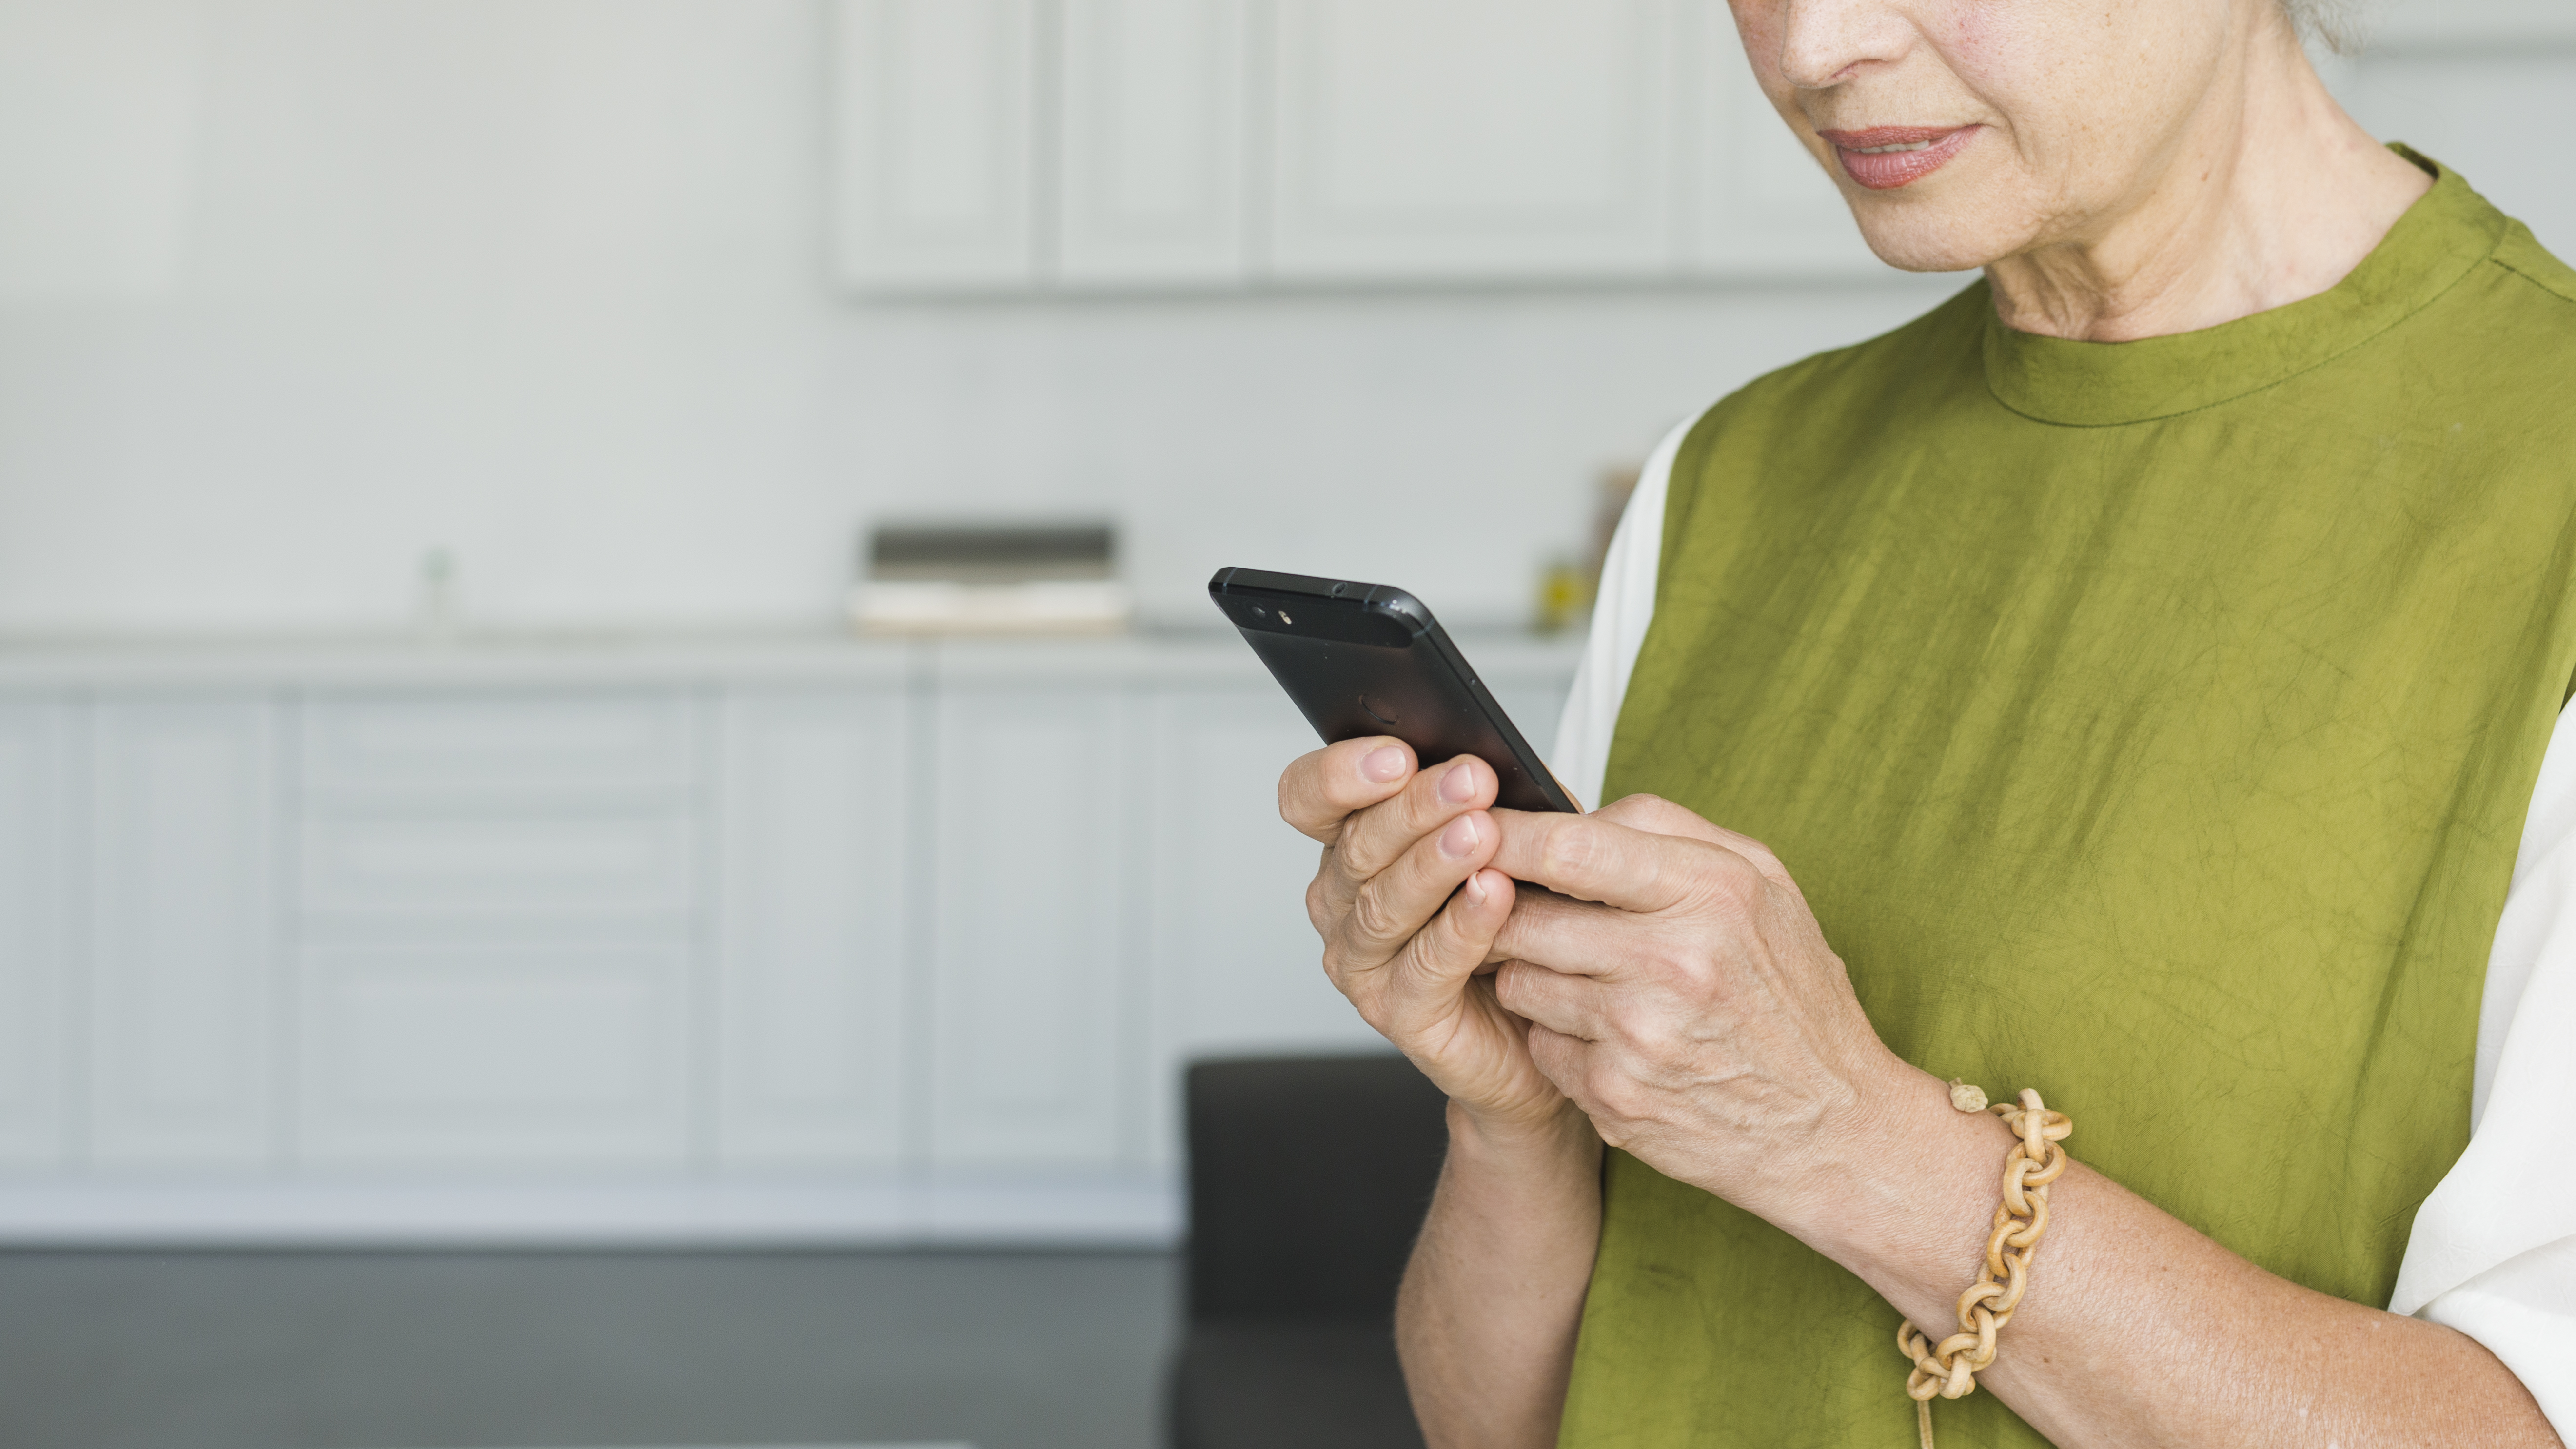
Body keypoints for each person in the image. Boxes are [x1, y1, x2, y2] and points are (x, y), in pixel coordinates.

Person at [1273, 0, 2576, 1445]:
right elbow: (1500, 1426)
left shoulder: (2541, 491)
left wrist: (1850, 1139)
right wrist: (1512, 1120)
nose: (1813, 46)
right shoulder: (1729, 480)